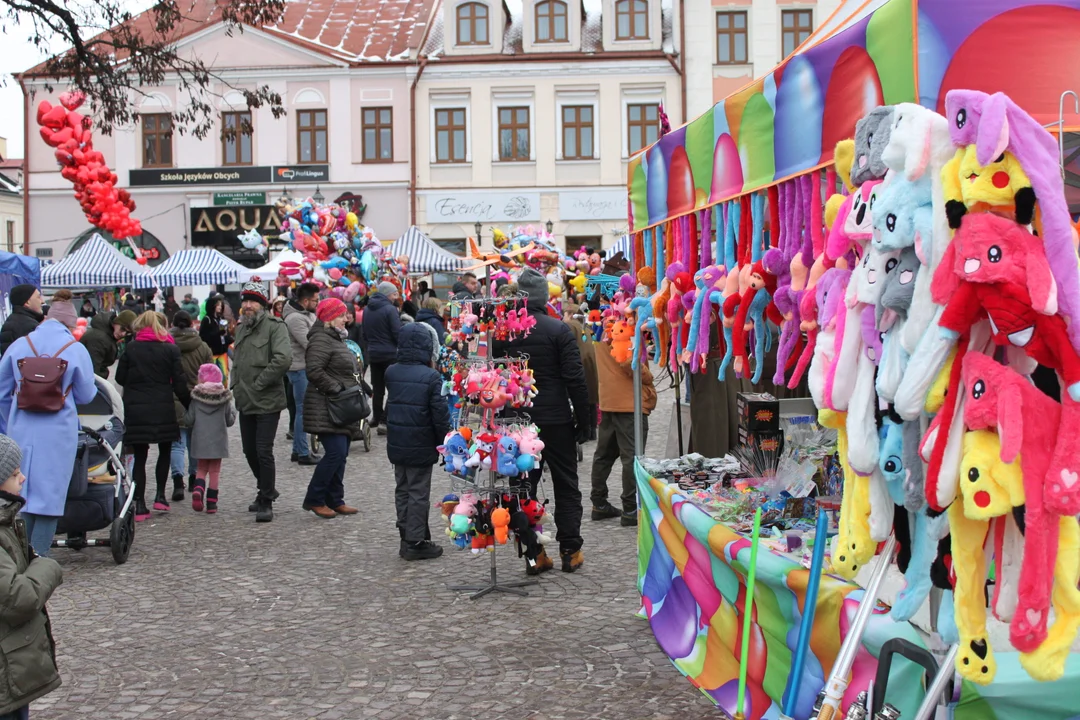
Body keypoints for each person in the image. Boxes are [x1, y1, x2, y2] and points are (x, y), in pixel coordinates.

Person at [492, 268, 591, 574]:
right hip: (556, 419)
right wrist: (586, 421)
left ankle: (534, 554)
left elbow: (494, 377)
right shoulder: (558, 330)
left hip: (517, 422)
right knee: (566, 484)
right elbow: (576, 379)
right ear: (545, 298)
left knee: (521, 489)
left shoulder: (502, 333)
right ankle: (570, 550)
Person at [0, 310, 96, 554]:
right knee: (49, 500)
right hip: (57, 432)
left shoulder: (19, 345)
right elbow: (86, 395)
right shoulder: (75, 349)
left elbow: (2, 392)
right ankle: (38, 557)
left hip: (19, 428)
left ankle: (16, 555)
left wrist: (6, 425)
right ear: (69, 324)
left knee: (18, 491)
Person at [0, 433, 64, 720]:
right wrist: (46, 565)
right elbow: (17, 598)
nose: (23, 478)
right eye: (14, 474)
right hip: (6, 675)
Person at [116, 312, 190, 520]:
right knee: (165, 451)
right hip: (163, 407)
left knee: (140, 456)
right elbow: (179, 383)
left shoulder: (131, 348)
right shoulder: (170, 349)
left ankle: (139, 503)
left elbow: (120, 378)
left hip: (136, 408)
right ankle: (160, 496)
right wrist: (189, 405)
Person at [385, 322, 449, 560]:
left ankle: (406, 534)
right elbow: (439, 415)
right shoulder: (431, 376)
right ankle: (415, 542)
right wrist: (446, 443)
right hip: (420, 442)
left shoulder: (392, 371)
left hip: (398, 442)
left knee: (402, 489)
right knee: (418, 492)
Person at [232, 282, 291, 523]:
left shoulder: (275, 327)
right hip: (245, 399)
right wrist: (235, 385)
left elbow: (283, 359)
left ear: (262, 304)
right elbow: (237, 361)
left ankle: (266, 500)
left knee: (263, 450)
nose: (247, 305)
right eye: (245, 301)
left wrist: (259, 383)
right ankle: (264, 488)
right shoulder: (241, 328)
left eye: (252, 301)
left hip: (267, 399)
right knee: (248, 450)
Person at [301, 298, 363, 519]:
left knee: (341, 453)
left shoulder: (335, 338)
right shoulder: (320, 339)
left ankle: (335, 500)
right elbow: (314, 371)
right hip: (326, 405)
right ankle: (314, 499)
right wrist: (336, 388)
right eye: (341, 315)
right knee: (335, 452)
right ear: (328, 318)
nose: (346, 319)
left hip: (340, 404)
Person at [590, 336, 657, 526]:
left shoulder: (601, 326)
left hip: (609, 399)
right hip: (628, 402)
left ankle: (599, 503)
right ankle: (630, 508)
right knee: (631, 457)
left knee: (603, 455)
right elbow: (628, 361)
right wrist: (648, 376)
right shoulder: (620, 325)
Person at [170, 311, 212, 498]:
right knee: (195, 444)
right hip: (198, 397)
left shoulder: (168, 345)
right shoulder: (202, 347)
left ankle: (178, 482)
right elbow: (211, 374)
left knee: (176, 444)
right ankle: (195, 479)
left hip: (174, 398)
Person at [185, 363, 236, 514]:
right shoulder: (224, 399)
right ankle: (212, 504)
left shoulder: (196, 399)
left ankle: (198, 489)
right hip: (218, 440)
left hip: (200, 439)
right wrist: (234, 411)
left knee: (201, 468)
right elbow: (229, 421)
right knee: (214, 471)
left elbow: (189, 420)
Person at [283, 283, 320, 466]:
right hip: (299, 368)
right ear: (305, 300)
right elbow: (309, 342)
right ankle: (303, 452)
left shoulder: (307, 315)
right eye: (315, 300)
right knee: (302, 411)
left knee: (302, 410)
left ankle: (298, 450)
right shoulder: (295, 318)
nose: (317, 303)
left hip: (305, 367)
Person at [363, 282, 402, 435]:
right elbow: (397, 333)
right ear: (387, 294)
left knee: (377, 388)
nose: (395, 297)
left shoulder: (367, 309)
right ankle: (384, 421)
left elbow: (364, 333)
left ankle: (376, 417)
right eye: (394, 294)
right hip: (390, 354)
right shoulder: (390, 309)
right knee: (393, 387)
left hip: (373, 353)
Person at [564, 303, 599, 443]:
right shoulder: (585, 327)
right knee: (591, 400)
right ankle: (592, 430)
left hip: (580, 364)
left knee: (581, 398)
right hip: (590, 364)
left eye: (564, 314)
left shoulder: (571, 325)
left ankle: (584, 431)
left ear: (571, 315)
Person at [80, 309, 135, 379]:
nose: (123, 334)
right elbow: (93, 371)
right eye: (123, 329)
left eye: (128, 333)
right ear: (116, 322)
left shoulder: (105, 333)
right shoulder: (100, 338)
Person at [0, 284, 43, 356]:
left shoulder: (14, 319)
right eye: (38, 297)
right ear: (27, 303)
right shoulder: (27, 325)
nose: (42, 301)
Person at [199, 296, 233, 386]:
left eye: (221, 305)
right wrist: (217, 334)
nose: (220, 307)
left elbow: (225, 335)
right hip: (212, 353)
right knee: (212, 378)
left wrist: (229, 339)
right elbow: (203, 337)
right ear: (212, 306)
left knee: (224, 376)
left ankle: (224, 394)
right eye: (218, 305)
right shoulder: (207, 320)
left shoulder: (222, 320)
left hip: (222, 352)